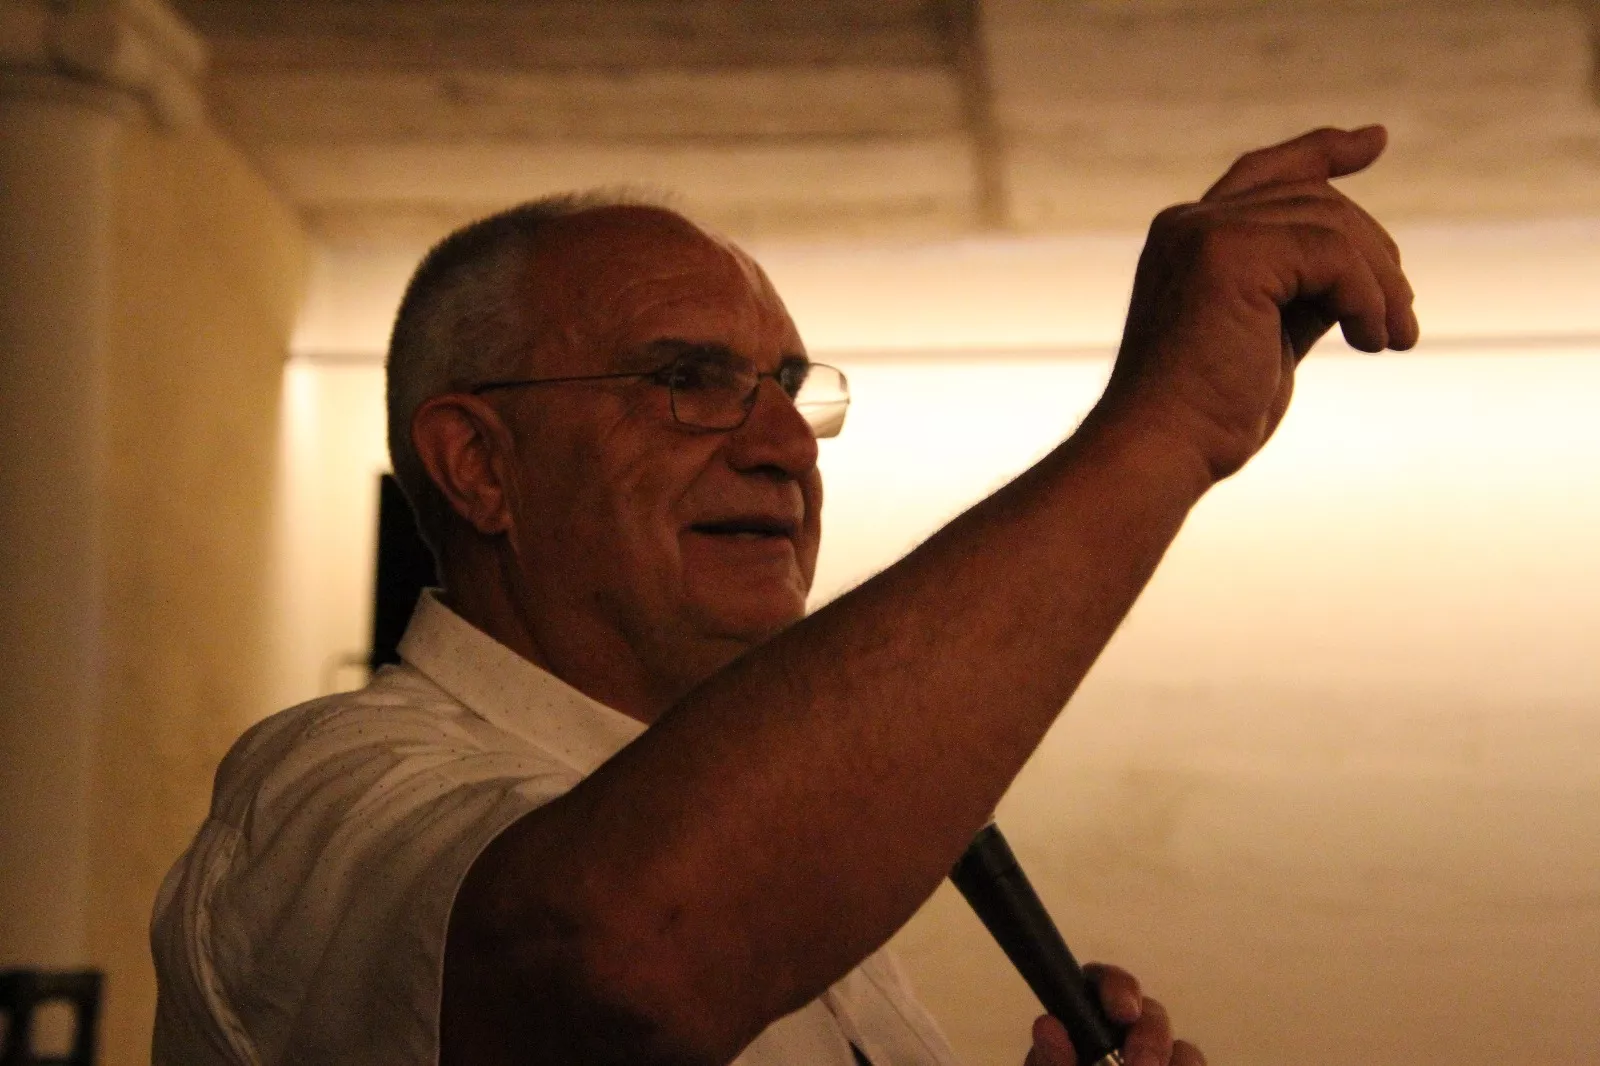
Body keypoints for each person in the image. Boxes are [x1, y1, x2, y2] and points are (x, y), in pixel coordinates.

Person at [151, 125, 1417, 1066]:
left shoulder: (771, 854)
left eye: (792, 389)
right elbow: (617, 960)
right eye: (686, 380)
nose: (783, 447)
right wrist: (1162, 427)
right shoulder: (321, 796)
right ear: (480, 464)